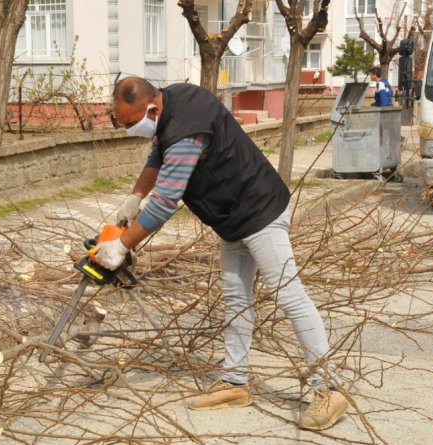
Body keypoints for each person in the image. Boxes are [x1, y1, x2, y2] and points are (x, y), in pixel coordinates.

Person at [94, 76, 349, 431]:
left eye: (131, 123)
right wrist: (135, 196)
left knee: (289, 295)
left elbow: (166, 203)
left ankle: (329, 388)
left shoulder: (186, 131)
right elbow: (158, 152)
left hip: (259, 211)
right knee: (236, 298)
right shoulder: (174, 101)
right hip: (232, 217)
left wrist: (121, 246)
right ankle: (234, 382)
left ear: (152, 108)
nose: (129, 130)